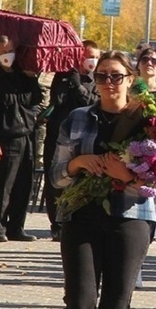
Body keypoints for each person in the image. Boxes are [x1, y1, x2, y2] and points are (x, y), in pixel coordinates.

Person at [50, 51, 154, 309]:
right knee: (79, 303)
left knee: (115, 307)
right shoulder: (79, 118)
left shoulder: (149, 121)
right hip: (82, 217)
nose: (110, 83)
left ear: (131, 78)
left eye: (117, 76)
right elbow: (56, 174)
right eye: (102, 76)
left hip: (131, 217)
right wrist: (79, 164)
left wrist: (129, 177)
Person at [0, 35, 43, 243]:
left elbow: (35, 100)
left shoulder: (21, 75)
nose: (7, 55)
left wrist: (32, 79)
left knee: (24, 184)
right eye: (3, 52)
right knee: (2, 185)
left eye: (10, 50)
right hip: (3, 138)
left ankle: (16, 227)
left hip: (25, 136)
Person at [43, 39, 100, 237]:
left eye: (95, 57)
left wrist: (79, 87)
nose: (91, 60)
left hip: (83, 137)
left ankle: (73, 220)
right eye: (88, 56)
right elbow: (56, 101)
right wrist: (67, 81)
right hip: (59, 133)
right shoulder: (65, 76)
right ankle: (56, 224)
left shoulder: (97, 81)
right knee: (56, 177)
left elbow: (92, 102)